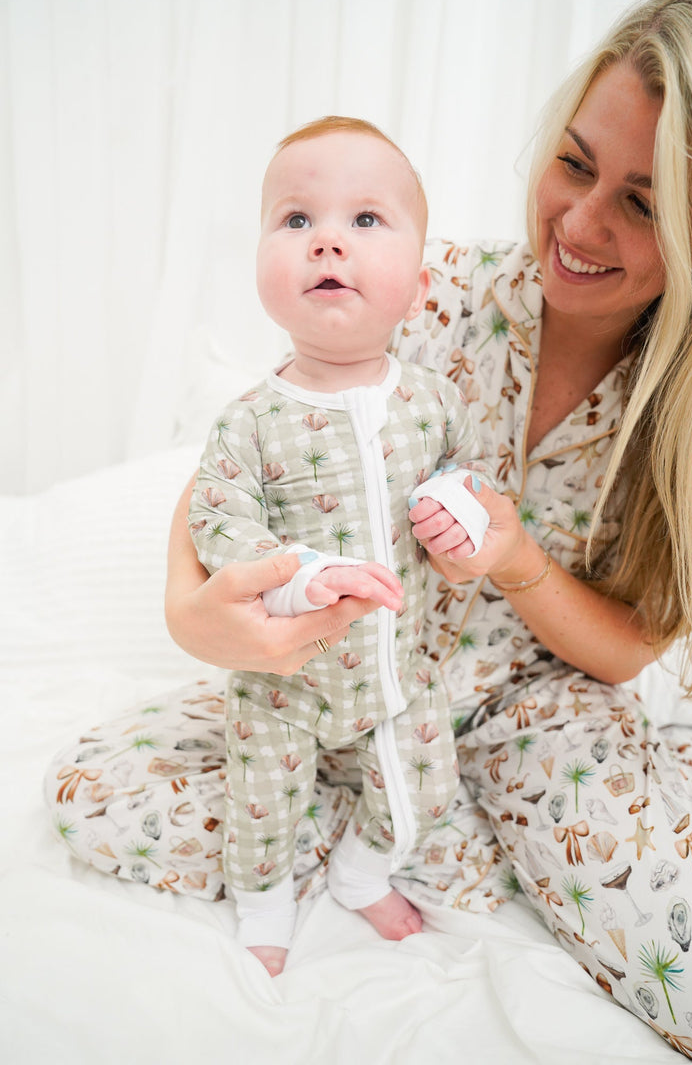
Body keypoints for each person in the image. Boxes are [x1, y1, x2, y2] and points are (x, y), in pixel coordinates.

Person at [44, 0, 692, 1056]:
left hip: (543, 708)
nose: (581, 226)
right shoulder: (414, 284)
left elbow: (629, 651)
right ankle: (383, 837)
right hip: (337, 679)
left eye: (643, 202)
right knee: (90, 791)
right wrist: (193, 616)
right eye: (575, 164)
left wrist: (516, 556)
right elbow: (249, 450)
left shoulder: (677, 412)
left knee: (670, 935)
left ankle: (413, 836)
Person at [186, 116, 495, 975]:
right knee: (262, 799)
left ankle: (361, 872)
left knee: (427, 786)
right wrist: (299, 578)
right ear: (259, 266)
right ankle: (264, 899)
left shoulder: (432, 400)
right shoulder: (251, 419)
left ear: (420, 281)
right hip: (284, 678)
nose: (327, 241)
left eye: (365, 220)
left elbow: (470, 475)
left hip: (402, 669)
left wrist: (453, 506)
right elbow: (218, 522)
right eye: (295, 220)